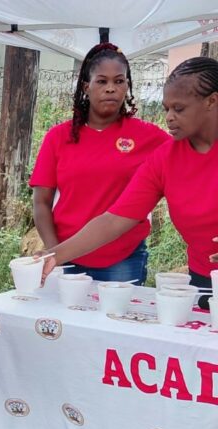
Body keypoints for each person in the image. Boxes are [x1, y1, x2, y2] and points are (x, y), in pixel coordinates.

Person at [41, 57, 218, 308]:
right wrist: (54, 255)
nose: (168, 117)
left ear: (212, 101)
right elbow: (115, 219)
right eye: (167, 108)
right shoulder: (165, 159)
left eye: (179, 109)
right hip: (204, 277)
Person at [31, 43, 170, 283]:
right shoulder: (59, 137)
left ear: (127, 86)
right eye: (102, 81)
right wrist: (56, 253)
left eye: (119, 81)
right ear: (86, 86)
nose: (111, 89)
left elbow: (191, 160)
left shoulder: (149, 137)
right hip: (66, 255)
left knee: (115, 320)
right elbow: (41, 203)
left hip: (122, 259)